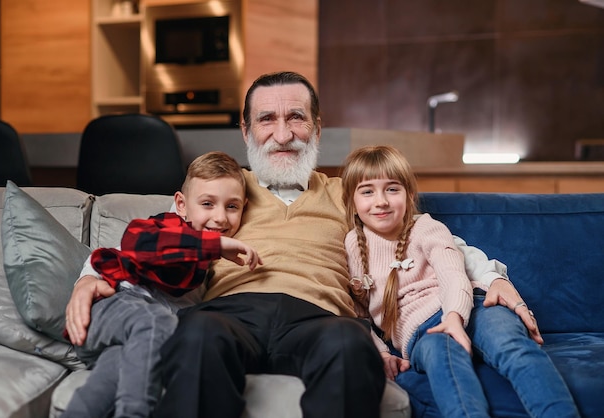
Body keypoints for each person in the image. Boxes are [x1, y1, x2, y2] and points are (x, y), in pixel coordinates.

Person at [66, 71, 543, 418]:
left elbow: (430, 237)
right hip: (230, 312)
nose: (282, 133)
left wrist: (493, 279)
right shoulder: (222, 191)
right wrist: (92, 279)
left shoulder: (346, 192)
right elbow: (148, 239)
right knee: (194, 338)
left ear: (316, 128)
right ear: (247, 131)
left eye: (296, 118)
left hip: (320, 318)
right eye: (267, 119)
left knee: (350, 348)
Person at [341, 144, 579, 417]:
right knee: (445, 362)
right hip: (422, 334)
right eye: (367, 191)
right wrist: (381, 352)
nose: (381, 200)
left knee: (513, 348)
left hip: (475, 307)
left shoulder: (427, 228)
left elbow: (453, 273)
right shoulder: (352, 246)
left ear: (409, 194)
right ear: (352, 202)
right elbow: (356, 312)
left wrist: (454, 315)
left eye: (392, 189)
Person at [62, 151, 262, 418]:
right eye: (207, 203)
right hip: (113, 309)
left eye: (232, 207)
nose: (221, 218)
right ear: (181, 205)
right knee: (155, 321)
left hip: (131, 341)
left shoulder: (217, 264)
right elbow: (139, 245)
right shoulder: (168, 227)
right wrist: (214, 245)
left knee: (114, 374)